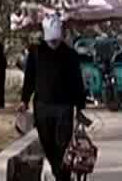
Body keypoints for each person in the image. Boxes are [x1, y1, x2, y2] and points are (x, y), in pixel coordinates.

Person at [21, 15, 89, 181]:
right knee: (48, 145)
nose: (54, 44)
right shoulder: (36, 53)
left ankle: (62, 177)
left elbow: (77, 81)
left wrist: (80, 107)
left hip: (64, 107)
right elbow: (29, 78)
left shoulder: (70, 55)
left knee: (63, 145)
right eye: (51, 41)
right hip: (42, 107)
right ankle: (59, 173)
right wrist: (24, 100)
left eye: (56, 40)